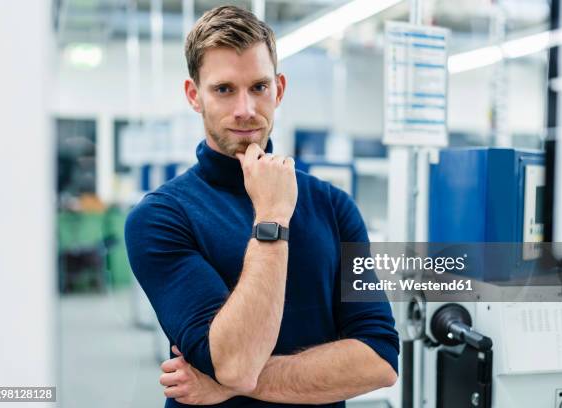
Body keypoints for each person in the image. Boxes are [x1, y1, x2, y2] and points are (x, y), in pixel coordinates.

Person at [124, 5, 399, 408]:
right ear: (193, 96)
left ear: (279, 90)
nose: (246, 109)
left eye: (258, 87)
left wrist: (232, 385)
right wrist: (271, 216)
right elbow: (235, 362)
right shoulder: (161, 218)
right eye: (223, 89)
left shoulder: (335, 207)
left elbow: (379, 359)